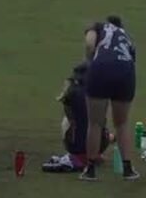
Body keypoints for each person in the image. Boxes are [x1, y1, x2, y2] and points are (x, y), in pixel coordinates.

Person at [80, 16, 139, 182]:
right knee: (121, 123)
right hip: (125, 72)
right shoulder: (126, 35)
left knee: (95, 122)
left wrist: (89, 62)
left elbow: (90, 44)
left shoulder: (97, 26)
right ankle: (128, 169)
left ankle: (90, 169)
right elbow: (132, 59)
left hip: (101, 69)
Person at [45, 63, 111, 173]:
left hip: (76, 145)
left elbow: (72, 120)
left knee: (69, 122)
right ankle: (95, 155)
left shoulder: (71, 93)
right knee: (97, 124)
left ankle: (78, 157)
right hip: (100, 143)